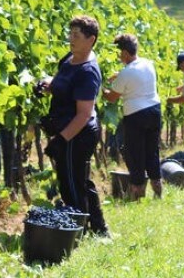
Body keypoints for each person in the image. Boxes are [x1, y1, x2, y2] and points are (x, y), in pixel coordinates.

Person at [37, 15, 109, 236]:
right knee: (79, 180)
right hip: (69, 130)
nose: (71, 39)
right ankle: (98, 228)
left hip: (78, 133)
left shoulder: (88, 71)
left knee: (71, 183)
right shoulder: (70, 58)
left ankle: (78, 232)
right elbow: (61, 83)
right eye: (70, 34)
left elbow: (84, 114)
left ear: (91, 40)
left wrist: (61, 140)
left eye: (76, 35)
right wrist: (47, 85)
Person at [103, 34, 162, 200]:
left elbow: (112, 97)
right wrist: (119, 75)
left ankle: (138, 194)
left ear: (125, 52)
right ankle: (158, 191)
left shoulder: (126, 73)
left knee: (135, 154)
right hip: (154, 111)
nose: (118, 57)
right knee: (152, 151)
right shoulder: (148, 64)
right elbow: (135, 80)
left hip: (136, 115)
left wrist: (100, 88)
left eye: (119, 53)